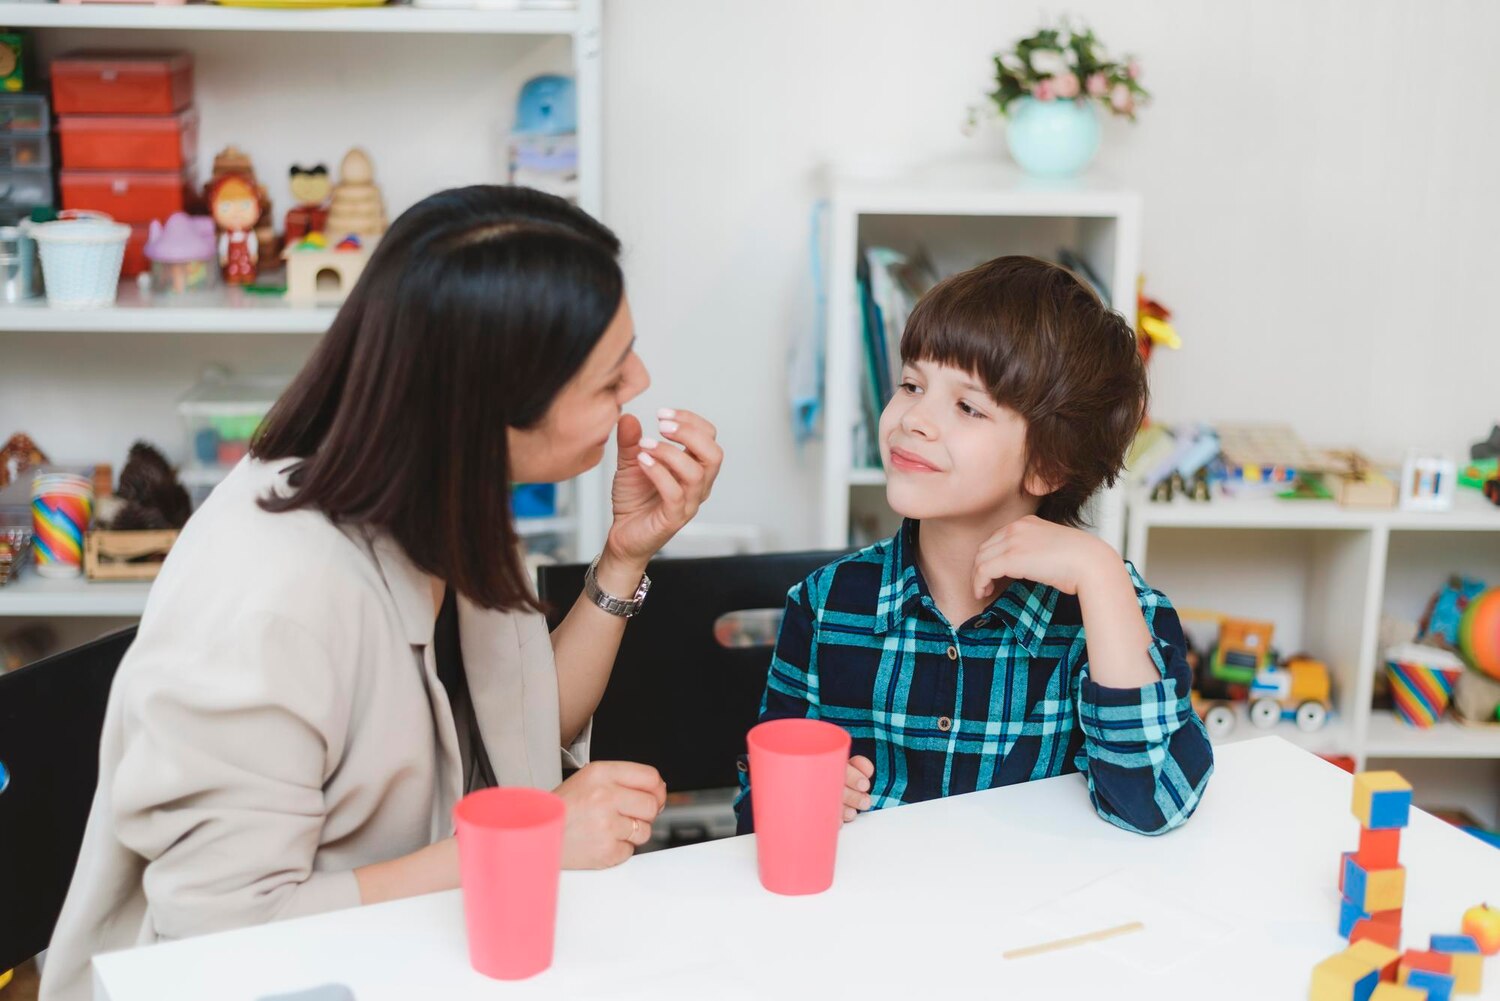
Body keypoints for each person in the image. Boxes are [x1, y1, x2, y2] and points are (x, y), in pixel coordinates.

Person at [43, 186, 722, 1001]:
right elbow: (221, 936)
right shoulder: (273, 598)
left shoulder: (445, 490)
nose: (639, 382)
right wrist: (531, 843)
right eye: (610, 380)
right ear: (486, 414)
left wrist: (623, 558)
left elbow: (523, 731)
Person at [736, 255, 1211, 836]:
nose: (914, 419)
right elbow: (753, 811)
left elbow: (1155, 805)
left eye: (967, 406)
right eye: (912, 385)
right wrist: (795, 799)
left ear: (1049, 464)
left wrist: (1099, 571)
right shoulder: (825, 605)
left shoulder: (1118, 614)